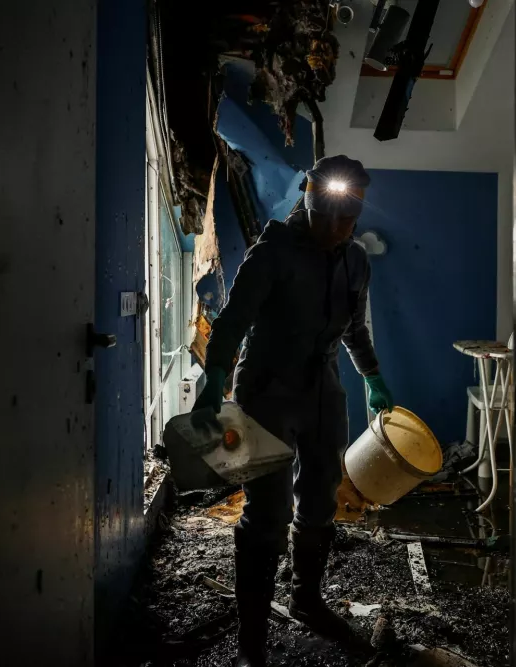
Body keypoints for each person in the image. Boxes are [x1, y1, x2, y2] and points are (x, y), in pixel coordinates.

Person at [193, 155, 393, 666]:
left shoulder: (355, 260)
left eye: (345, 219)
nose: (333, 229)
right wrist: (215, 375)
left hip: (322, 388)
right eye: (324, 216)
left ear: (358, 212)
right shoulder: (273, 251)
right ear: (306, 198)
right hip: (266, 388)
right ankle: (252, 643)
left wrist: (372, 376)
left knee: (323, 496)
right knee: (268, 512)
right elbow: (234, 319)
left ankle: (306, 599)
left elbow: (354, 328)